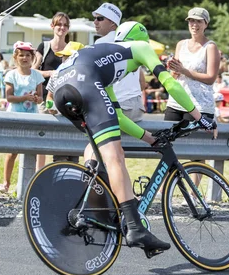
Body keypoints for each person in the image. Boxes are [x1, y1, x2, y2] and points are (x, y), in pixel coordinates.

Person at [52, 21, 216, 255]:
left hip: (62, 88)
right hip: (83, 82)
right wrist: (199, 116)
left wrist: (149, 138)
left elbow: (116, 116)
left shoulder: (106, 63)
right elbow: (169, 82)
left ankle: (93, 198)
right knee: (115, 156)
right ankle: (135, 227)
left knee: (99, 149)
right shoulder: (139, 47)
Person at [0, 42, 45, 194]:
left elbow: (41, 98)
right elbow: (9, 97)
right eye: (21, 55)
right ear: (16, 57)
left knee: (31, 151)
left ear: (32, 58)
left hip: (32, 117)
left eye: (28, 55)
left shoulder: (37, 75)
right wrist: (24, 98)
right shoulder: (11, 75)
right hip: (15, 115)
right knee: (12, 152)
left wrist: (36, 99)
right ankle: (6, 182)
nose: (25, 58)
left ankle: (30, 184)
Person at [93, 2, 146, 121]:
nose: (95, 22)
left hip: (119, 104)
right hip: (136, 104)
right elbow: (142, 82)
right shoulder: (131, 41)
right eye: (95, 18)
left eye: (100, 18)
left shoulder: (101, 43)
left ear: (113, 23)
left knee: (102, 139)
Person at [165, 7, 220, 123]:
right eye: (191, 21)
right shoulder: (181, 44)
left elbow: (211, 78)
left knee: (190, 140)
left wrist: (184, 70)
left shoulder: (210, 47)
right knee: (165, 138)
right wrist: (173, 68)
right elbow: (174, 76)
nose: (194, 24)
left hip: (199, 105)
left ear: (206, 24)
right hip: (176, 102)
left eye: (199, 21)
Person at [45, 41, 85, 163]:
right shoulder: (57, 74)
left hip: (78, 123)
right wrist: (51, 107)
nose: (64, 60)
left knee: (74, 160)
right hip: (60, 122)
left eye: (68, 57)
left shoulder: (85, 75)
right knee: (59, 159)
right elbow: (49, 97)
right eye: (64, 57)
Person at [32, 12, 70, 102]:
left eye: (65, 25)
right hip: (43, 97)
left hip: (63, 98)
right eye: (59, 24)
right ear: (52, 26)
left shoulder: (71, 48)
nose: (62, 27)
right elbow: (33, 71)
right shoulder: (43, 47)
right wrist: (50, 73)